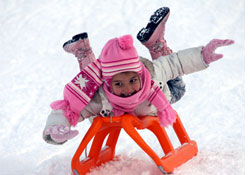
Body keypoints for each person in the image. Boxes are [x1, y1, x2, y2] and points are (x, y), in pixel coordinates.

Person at [43, 7, 234, 145]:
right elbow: (72, 108)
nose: (127, 90)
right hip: (112, 110)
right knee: (89, 87)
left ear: (141, 76)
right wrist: (57, 128)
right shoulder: (102, 98)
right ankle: (155, 44)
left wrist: (203, 56)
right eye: (118, 84)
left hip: (160, 93)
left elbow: (176, 62)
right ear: (107, 83)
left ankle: (85, 52)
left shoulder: (152, 74)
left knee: (177, 88)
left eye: (133, 81)